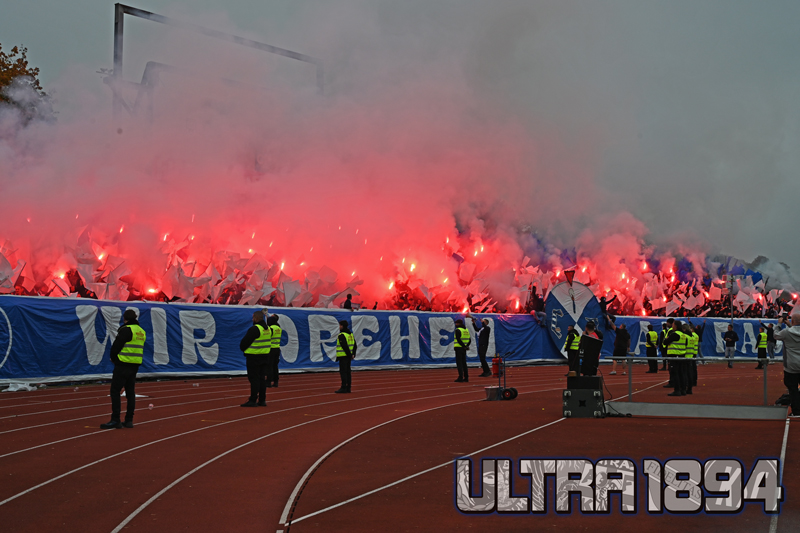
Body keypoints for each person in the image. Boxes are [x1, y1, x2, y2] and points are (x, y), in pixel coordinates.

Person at [100, 309, 146, 429]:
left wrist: (113, 358)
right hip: (135, 365)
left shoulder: (126, 330)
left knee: (115, 391)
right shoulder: (141, 331)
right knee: (130, 393)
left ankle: (116, 419)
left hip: (123, 364)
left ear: (125, 318)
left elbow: (116, 346)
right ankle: (129, 420)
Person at [239, 310, 271, 407]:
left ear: (256, 318)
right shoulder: (268, 329)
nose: (252, 319)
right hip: (264, 356)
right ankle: (262, 400)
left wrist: (244, 349)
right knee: (262, 379)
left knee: (254, 379)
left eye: (253, 317)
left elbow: (244, 343)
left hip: (254, 357)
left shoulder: (255, 329)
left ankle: (253, 399)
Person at [774, 314, 800, 417]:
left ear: (792, 321)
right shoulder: (788, 330)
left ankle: (797, 411)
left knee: (792, 390)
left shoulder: (786, 332)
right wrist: (791, 325)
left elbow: (775, 335)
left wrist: (779, 324)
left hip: (791, 365)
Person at [664, 320, 688, 396]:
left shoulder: (675, 334)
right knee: (681, 373)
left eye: (673, 325)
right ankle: (683, 390)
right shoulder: (683, 335)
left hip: (674, 356)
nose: (672, 326)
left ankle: (677, 390)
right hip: (682, 356)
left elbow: (665, 342)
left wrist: (667, 338)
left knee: (675, 373)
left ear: (676, 326)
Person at [335, 320, 356, 393]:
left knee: (343, 372)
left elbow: (344, 346)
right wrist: (353, 354)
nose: (339, 327)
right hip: (348, 357)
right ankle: (348, 387)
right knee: (348, 372)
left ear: (342, 326)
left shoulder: (342, 335)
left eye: (340, 325)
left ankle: (343, 387)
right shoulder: (350, 334)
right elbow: (354, 345)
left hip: (343, 356)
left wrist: (349, 355)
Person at [266, 314, 282, 388]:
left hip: (270, 349)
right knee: (275, 366)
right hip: (277, 348)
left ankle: (268, 381)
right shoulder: (278, 328)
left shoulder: (270, 328)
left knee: (269, 366)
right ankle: (276, 381)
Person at [683, 323, 698, 392]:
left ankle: (686, 386)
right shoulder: (693, 336)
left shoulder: (686, 336)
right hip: (692, 354)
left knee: (686, 372)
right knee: (691, 371)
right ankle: (691, 385)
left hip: (686, 356)